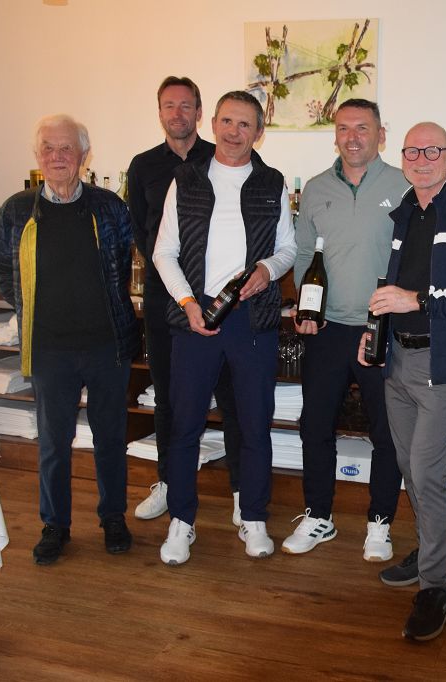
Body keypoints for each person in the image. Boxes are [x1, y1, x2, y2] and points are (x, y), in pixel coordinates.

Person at [359, 122, 446, 641]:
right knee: (408, 467)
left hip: (441, 365)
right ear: (402, 159)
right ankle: (431, 550)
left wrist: (416, 300)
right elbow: (392, 286)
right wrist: (375, 331)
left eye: (432, 150)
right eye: (412, 151)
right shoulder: (404, 212)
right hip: (397, 358)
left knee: (425, 471)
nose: (421, 159)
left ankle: (437, 586)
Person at [153, 91, 295, 565]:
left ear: (259, 132)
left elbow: (288, 249)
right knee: (185, 426)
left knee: (254, 425)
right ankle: (182, 521)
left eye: (245, 124)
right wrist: (187, 302)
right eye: (228, 121)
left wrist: (268, 270)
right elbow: (164, 252)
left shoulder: (271, 182)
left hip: (252, 323)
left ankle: (253, 517)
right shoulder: (186, 179)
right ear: (213, 123)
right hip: (195, 322)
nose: (235, 132)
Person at [0, 114, 139, 565]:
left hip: (106, 345)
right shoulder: (15, 211)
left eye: (67, 148)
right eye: (49, 149)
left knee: (110, 437)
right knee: (53, 443)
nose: (58, 157)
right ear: (38, 156)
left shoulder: (109, 207)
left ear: (83, 155)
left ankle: (113, 517)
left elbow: (122, 261)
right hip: (49, 349)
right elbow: (5, 273)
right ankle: (55, 525)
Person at [282, 99, 409, 561]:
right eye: (343, 128)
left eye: (362, 127)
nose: (352, 137)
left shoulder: (404, 185)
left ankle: (380, 522)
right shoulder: (317, 188)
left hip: (382, 329)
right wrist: (306, 305)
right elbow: (302, 255)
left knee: (386, 432)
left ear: (381, 134)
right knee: (315, 425)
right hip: (328, 328)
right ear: (334, 135)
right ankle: (319, 515)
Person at [127, 76, 244, 527]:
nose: (177, 113)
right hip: (166, 301)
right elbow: (144, 233)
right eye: (168, 105)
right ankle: (169, 483)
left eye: (185, 105)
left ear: (199, 113)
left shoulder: (223, 157)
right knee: (169, 397)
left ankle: (241, 491)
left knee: (232, 400)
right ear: (159, 112)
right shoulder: (143, 166)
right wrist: (178, 286)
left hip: (220, 301)